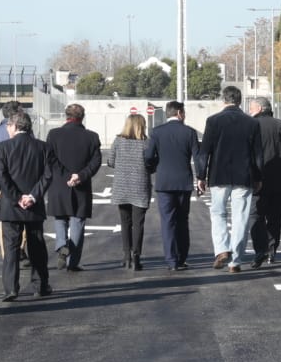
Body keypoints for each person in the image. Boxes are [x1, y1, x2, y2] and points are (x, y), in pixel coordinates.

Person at [198, 85, 261, 272]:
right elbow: (258, 154)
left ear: (223, 100)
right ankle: (236, 260)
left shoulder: (213, 121)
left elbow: (204, 152)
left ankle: (222, 249)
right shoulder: (252, 123)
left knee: (218, 213)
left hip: (219, 175)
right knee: (240, 217)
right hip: (244, 176)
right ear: (240, 101)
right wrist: (259, 177)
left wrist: (201, 175)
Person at [0, 110, 54, 301]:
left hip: (11, 206)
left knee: (11, 247)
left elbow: (2, 177)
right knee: (36, 244)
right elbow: (48, 175)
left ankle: (11, 288)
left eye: (8, 126)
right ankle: (40, 285)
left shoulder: (2, 148)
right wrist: (33, 196)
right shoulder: (43, 147)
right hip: (34, 205)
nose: (8, 130)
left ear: (15, 126)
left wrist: (16, 198)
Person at [144, 100, 203, 271]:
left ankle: (171, 260)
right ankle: (182, 257)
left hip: (164, 182)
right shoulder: (190, 132)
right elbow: (198, 157)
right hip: (183, 182)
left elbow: (148, 156)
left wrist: (154, 167)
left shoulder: (156, 132)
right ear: (179, 113)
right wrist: (201, 177)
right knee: (182, 221)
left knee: (167, 222)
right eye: (184, 113)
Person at [44, 103, 103, 271]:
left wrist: (66, 176)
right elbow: (96, 161)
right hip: (81, 186)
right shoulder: (92, 137)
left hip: (59, 184)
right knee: (78, 221)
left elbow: (51, 159)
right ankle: (73, 263)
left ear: (66, 116)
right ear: (82, 117)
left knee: (60, 218)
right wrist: (80, 176)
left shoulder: (54, 135)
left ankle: (62, 244)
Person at [249, 96, 281, 268]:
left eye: (251, 108)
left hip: (258, 179)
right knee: (275, 217)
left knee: (256, 215)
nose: (249, 112)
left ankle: (260, 249)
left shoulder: (252, 125)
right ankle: (271, 249)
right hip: (279, 179)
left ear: (259, 109)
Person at [109, 112, 153, 270]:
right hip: (140, 187)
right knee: (138, 224)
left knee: (125, 223)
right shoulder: (146, 143)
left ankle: (126, 256)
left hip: (121, 187)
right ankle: (136, 256)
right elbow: (152, 165)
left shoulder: (118, 141)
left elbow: (110, 161)